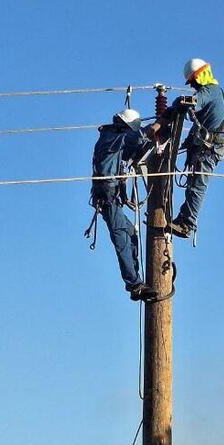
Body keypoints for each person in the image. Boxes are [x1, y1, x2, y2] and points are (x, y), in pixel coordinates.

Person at [148, 58, 224, 238]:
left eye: (193, 82)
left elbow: (193, 101)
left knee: (197, 186)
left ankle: (187, 223)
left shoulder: (210, 91)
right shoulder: (212, 92)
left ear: (200, 76)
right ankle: (183, 219)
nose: (193, 86)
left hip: (209, 148)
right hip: (203, 147)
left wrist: (180, 104)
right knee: (193, 186)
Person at [90, 108, 157, 302]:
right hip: (108, 197)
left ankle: (137, 278)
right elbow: (137, 138)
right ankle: (135, 285)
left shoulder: (113, 137)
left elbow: (133, 147)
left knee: (131, 233)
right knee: (121, 237)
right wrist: (161, 123)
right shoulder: (113, 137)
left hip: (111, 197)